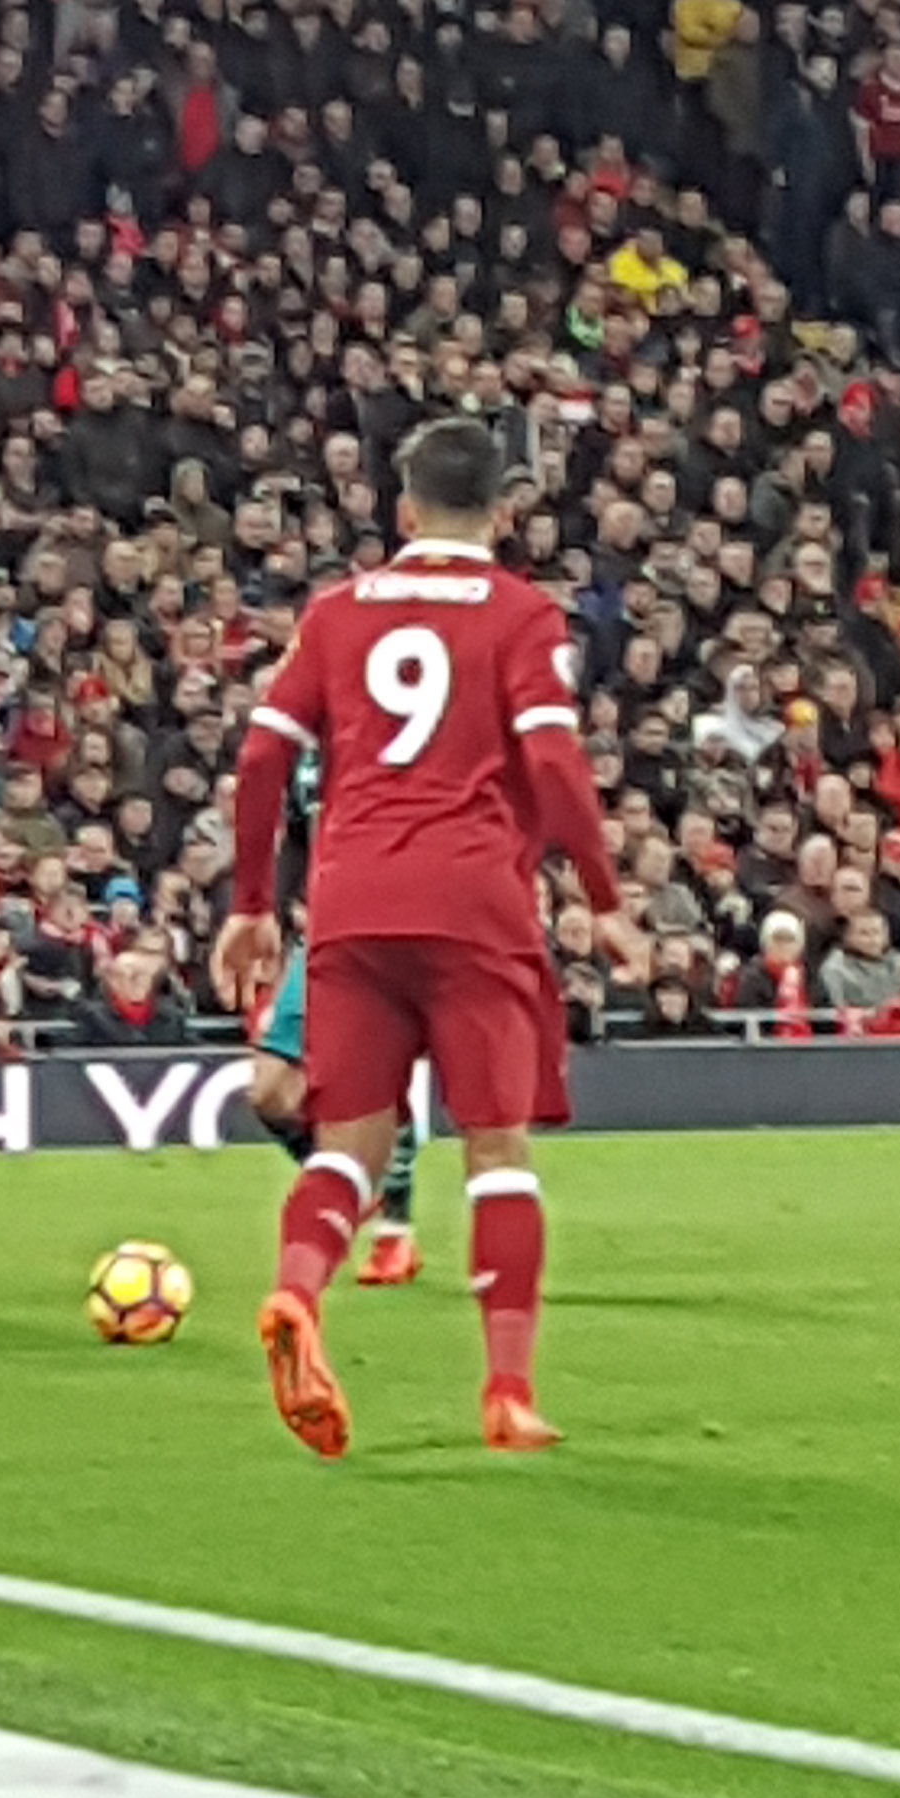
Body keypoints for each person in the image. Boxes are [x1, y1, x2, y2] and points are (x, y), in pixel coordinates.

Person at [216, 417, 648, 1458]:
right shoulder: (521, 615)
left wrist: (250, 903)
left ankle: (297, 1293)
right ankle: (507, 1392)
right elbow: (553, 763)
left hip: (354, 904)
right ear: (502, 513)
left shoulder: (336, 612)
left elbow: (264, 758)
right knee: (496, 1149)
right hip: (472, 906)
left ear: (402, 510)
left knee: (347, 1151)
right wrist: (602, 896)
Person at [244, 745, 424, 1287]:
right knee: (269, 1093)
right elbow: (298, 840)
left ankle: (393, 1233)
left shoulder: (401, 740)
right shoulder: (306, 755)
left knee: (375, 1079)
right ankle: (352, 1186)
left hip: (395, 927)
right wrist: (278, 914)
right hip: (323, 934)